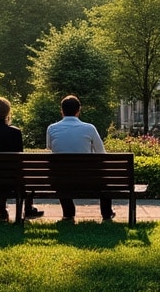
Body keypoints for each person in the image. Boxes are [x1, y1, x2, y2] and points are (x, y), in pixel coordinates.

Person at [45, 94, 113, 222]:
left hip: (61, 181)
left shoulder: (51, 129)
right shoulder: (89, 128)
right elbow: (102, 154)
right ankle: (106, 214)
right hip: (87, 180)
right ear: (78, 111)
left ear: (62, 111)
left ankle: (68, 212)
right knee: (105, 177)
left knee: (60, 173)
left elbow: (50, 148)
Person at [0, 96, 44, 221]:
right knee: (26, 174)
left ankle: (2, 211)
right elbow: (20, 156)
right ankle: (28, 208)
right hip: (13, 178)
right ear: (8, 112)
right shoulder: (15, 132)